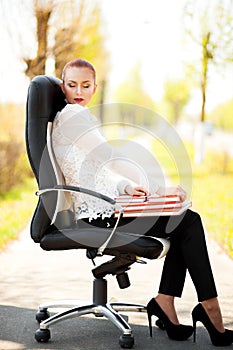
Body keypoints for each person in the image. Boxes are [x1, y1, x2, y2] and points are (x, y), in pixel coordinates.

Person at [51, 58, 233, 346]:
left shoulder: (70, 116)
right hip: (97, 212)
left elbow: (95, 167)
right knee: (188, 221)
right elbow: (109, 157)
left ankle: (166, 303)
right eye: (72, 85)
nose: (78, 91)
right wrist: (158, 188)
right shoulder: (74, 115)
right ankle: (208, 310)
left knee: (182, 222)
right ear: (63, 87)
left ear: (95, 88)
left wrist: (129, 187)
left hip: (102, 204)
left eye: (85, 85)